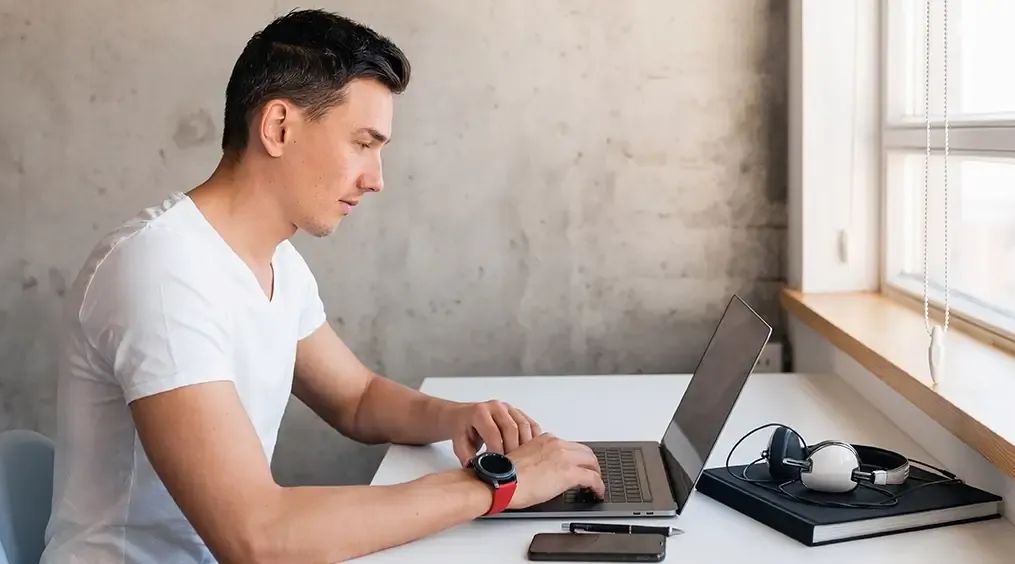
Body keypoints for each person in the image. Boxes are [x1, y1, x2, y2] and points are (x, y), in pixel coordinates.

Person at [41, 9, 605, 564]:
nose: (376, 179)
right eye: (363, 144)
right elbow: (257, 539)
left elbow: (356, 399)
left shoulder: (274, 262)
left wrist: (458, 418)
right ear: (279, 127)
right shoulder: (161, 273)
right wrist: (498, 485)